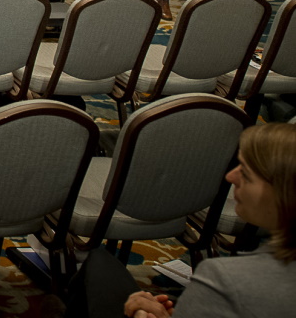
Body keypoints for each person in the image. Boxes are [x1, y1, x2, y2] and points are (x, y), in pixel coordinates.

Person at [117, 122, 296, 318]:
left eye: (245, 173)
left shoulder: (225, 281)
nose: (230, 176)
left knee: (99, 268)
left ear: (283, 194)